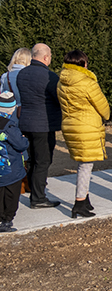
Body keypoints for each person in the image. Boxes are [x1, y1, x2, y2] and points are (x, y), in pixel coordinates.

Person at [57, 50, 111, 218]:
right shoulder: (87, 82)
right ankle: (79, 202)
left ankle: (85, 199)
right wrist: (107, 115)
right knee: (85, 166)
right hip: (87, 127)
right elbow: (103, 106)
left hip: (70, 125)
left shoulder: (61, 82)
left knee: (83, 163)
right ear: (83, 64)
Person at [16, 43, 62, 209]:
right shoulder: (49, 76)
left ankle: (33, 189)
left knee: (32, 159)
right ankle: (38, 197)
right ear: (45, 57)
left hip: (26, 123)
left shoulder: (22, 74)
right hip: (43, 124)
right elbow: (58, 98)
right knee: (43, 160)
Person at [0, 93, 29, 233]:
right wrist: (24, 139)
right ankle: (6, 220)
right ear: (11, 110)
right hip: (11, 168)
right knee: (11, 195)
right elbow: (21, 145)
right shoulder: (9, 127)